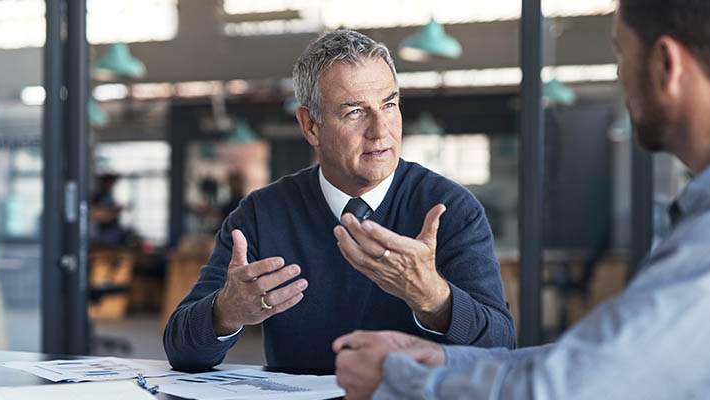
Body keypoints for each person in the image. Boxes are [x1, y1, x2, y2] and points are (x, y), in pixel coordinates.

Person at [333, 1, 710, 399]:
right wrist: (447, 361)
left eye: (622, 55)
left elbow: (582, 388)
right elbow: (602, 359)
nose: (620, 75)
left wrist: (402, 382)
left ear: (665, 65)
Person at [163, 30, 516, 373]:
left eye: (389, 105)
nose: (381, 131)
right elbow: (181, 351)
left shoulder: (450, 209)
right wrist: (225, 311)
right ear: (311, 126)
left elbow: (502, 348)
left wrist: (435, 299)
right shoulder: (260, 214)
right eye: (355, 112)